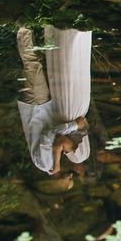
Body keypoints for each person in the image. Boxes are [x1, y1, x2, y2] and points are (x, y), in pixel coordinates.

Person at [16, 25, 92, 176]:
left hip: (36, 108)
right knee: (34, 64)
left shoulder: (45, 164)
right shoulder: (50, 161)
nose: (66, 150)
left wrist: (73, 125)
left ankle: (22, 27)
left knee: (32, 64)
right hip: (44, 106)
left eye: (70, 149)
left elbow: (48, 134)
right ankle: (26, 28)